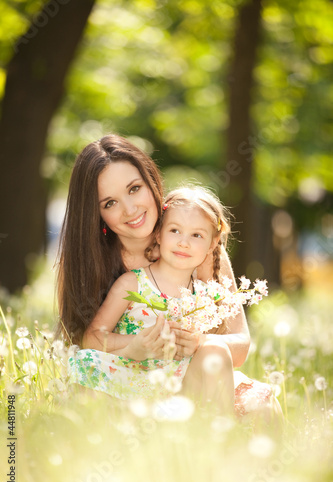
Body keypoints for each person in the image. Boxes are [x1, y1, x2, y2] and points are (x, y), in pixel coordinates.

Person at [57, 134, 282, 422]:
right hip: (131, 381)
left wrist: (198, 342)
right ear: (96, 214)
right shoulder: (92, 263)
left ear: (152, 184)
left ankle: (219, 453)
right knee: (92, 403)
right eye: (110, 203)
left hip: (197, 376)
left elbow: (238, 348)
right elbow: (88, 342)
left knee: (264, 409)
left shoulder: (197, 250)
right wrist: (131, 347)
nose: (130, 209)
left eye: (135, 189)